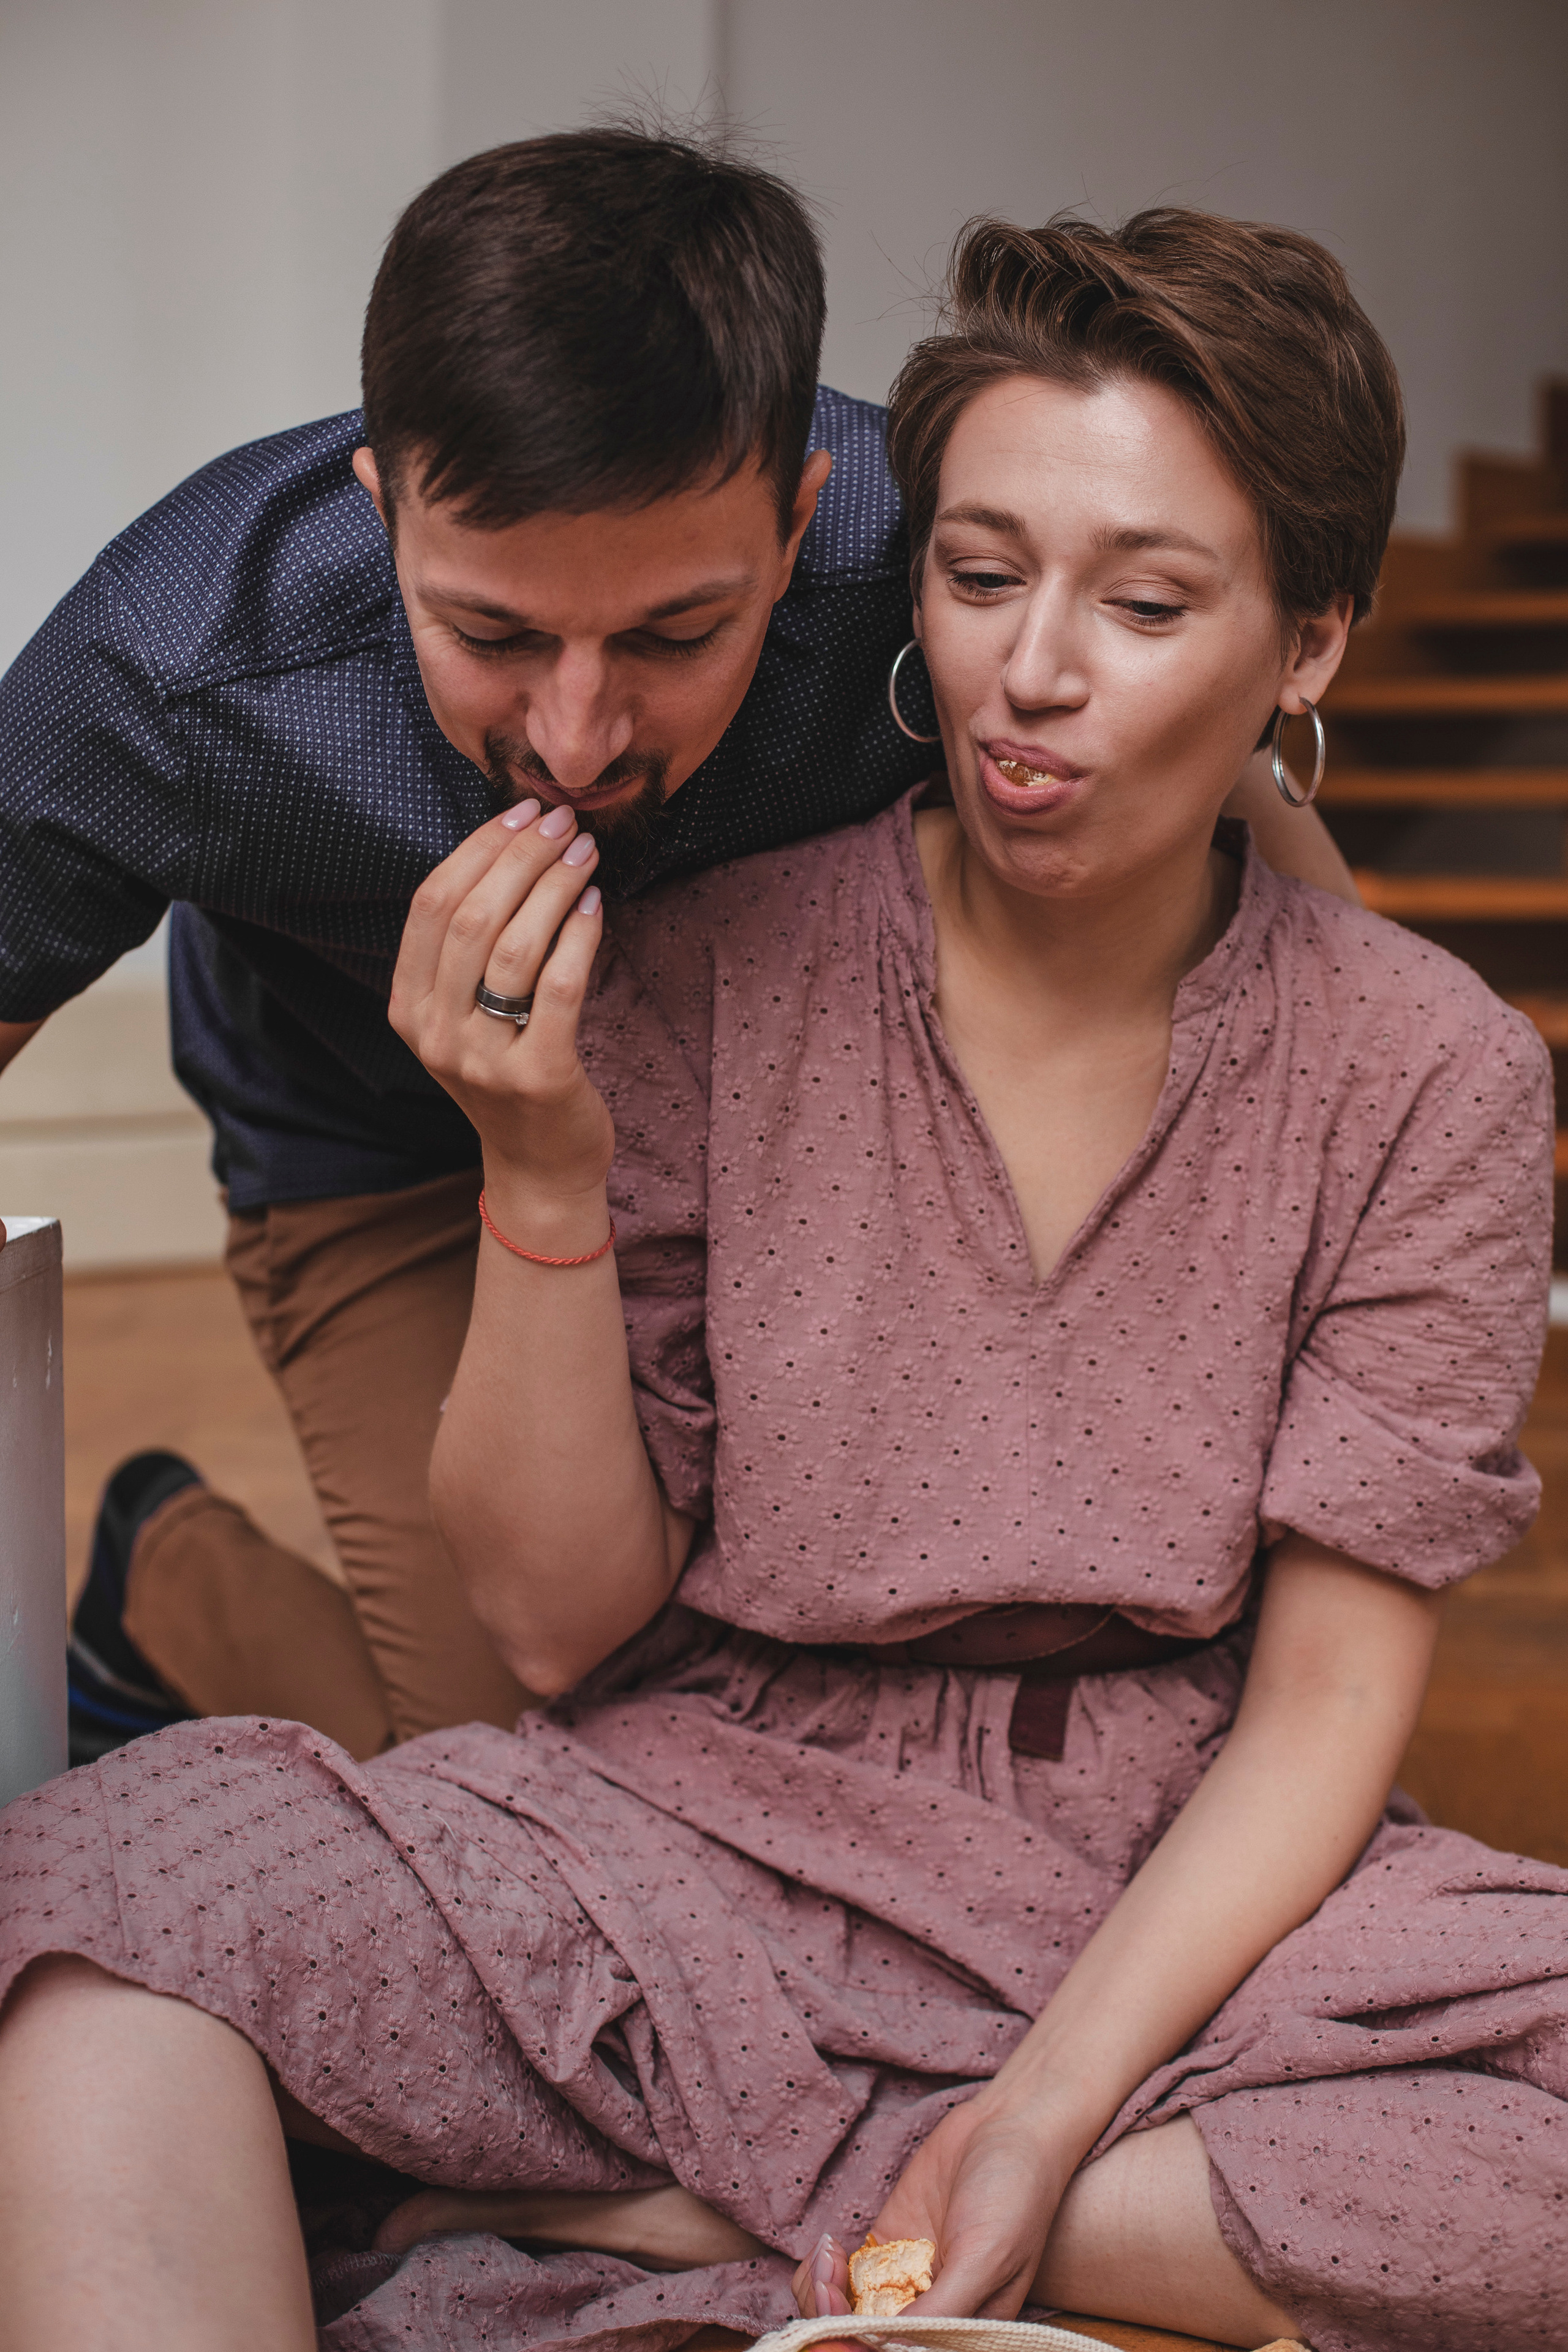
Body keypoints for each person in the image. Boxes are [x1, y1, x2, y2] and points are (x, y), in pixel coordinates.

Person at [7, 203, 1559, 2352]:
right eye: (991, 576)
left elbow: (1321, 1703)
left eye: (1146, 601)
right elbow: (566, 1627)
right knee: (113, 1883)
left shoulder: (1427, 1070)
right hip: (636, 1674)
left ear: (1306, 643)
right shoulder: (263, 701)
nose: (1034, 668)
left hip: (1146, 1849)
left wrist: (1032, 2125)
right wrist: (542, 1154)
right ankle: (199, 1607)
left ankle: (669, 2201)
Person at [0, 127, 1353, 1763]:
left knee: (798, 1724)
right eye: (492, 633)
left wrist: (1354, 1110)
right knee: (524, 1764)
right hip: (386, 1157)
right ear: (385, 508)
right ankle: (175, 1573)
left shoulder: (929, 555)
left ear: (800, 525)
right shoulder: (175, 666)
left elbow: (1216, 776)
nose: (576, 739)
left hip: (794, 1149)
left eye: (673, 634)